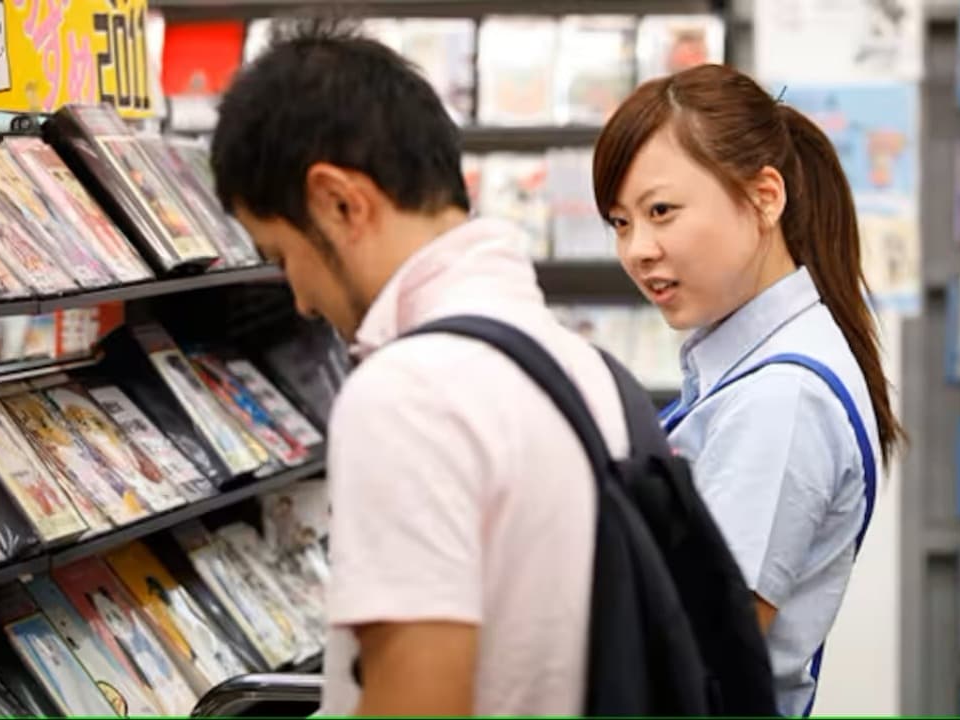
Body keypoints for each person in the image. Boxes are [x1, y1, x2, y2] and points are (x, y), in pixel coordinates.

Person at [210, 20, 627, 717]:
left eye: (283, 256)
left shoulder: (409, 394)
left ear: (339, 201)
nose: (300, 300)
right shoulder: (576, 362)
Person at [593, 63, 906, 716]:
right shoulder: (755, 366)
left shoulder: (781, 400)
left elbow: (701, 653)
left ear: (765, 197)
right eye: (620, 223)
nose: (638, 250)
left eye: (660, 212)